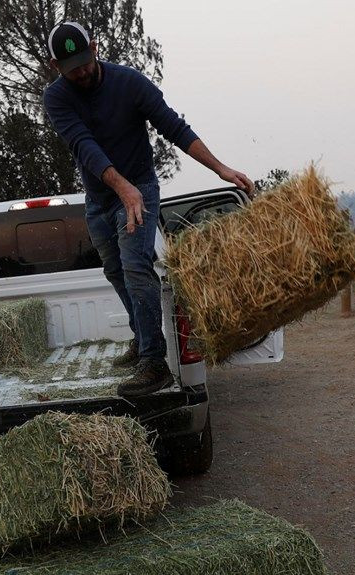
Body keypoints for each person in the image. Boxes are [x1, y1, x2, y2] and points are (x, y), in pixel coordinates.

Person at [43, 21, 254, 397]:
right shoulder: (57, 97)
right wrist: (119, 188)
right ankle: (142, 337)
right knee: (113, 269)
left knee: (135, 263)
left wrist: (221, 168)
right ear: (55, 65)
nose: (83, 70)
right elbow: (83, 145)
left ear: (95, 46)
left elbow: (174, 127)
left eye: (86, 60)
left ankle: (154, 363)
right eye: (71, 67)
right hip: (101, 198)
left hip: (140, 186)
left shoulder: (130, 83)